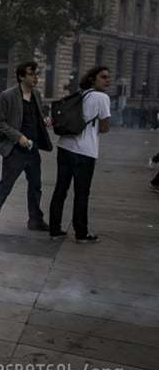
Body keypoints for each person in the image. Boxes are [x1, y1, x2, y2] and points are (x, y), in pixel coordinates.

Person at [0, 61, 53, 240]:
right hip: (15, 150)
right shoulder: (8, 95)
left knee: (36, 186)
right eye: (31, 74)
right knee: (5, 187)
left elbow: (34, 117)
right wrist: (18, 137)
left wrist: (43, 122)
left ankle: (35, 220)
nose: (35, 78)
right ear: (21, 76)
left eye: (36, 74)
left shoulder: (36, 94)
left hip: (32, 149)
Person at [48, 66, 112, 243]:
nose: (108, 80)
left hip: (65, 147)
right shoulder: (102, 97)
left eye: (108, 77)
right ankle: (81, 233)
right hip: (85, 151)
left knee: (60, 190)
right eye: (104, 77)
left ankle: (55, 230)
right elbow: (105, 128)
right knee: (82, 193)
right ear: (93, 79)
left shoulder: (80, 94)